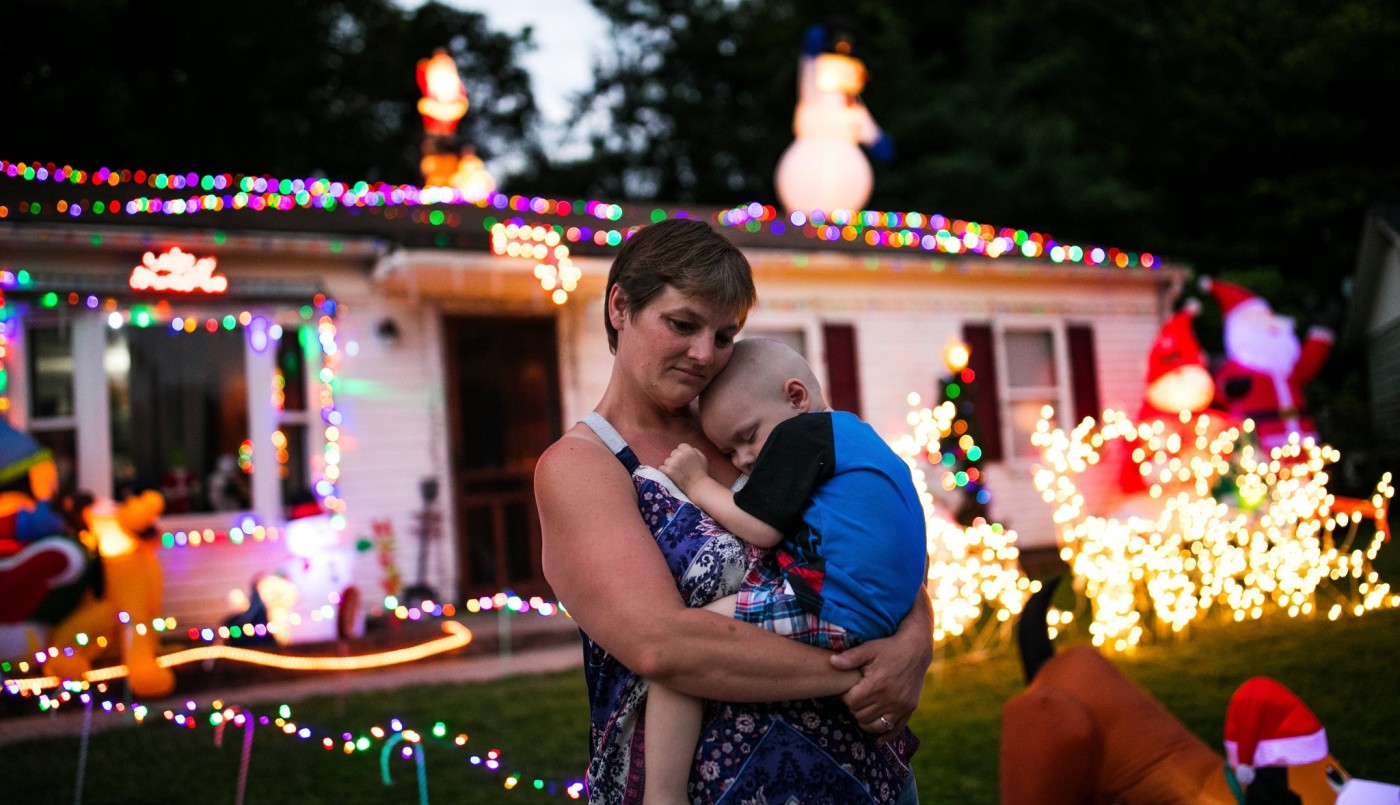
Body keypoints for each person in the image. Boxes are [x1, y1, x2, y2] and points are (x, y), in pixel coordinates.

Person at [535, 218, 934, 805]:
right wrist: (865, 672)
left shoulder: (753, 432)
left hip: (869, 780)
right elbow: (663, 647)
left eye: (724, 335)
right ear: (620, 307)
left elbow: (871, 538)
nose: (704, 354)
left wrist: (914, 644)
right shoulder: (582, 466)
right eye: (683, 324)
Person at [643, 337, 928, 805]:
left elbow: (762, 529)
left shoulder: (804, 434)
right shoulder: (856, 438)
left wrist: (696, 482)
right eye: (730, 451)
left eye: (748, 436)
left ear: (796, 398)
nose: (744, 460)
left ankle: (662, 795)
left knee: (687, 653)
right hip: (877, 613)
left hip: (832, 603)